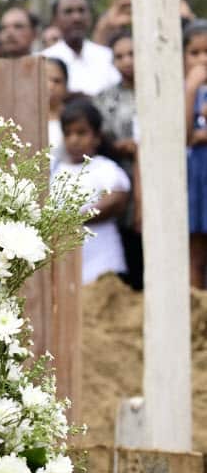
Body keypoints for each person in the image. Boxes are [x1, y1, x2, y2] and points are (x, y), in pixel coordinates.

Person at [51, 99, 130, 285]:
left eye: (81, 133)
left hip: (104, 263)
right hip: (66, 266)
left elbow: (116, 199)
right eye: (68, 133)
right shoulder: (56, 170)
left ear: (97, 136)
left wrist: (71, 218)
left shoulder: (105, 168)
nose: (74, 140)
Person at [95, 29, 141, 289]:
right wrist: (116, 147)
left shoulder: (161, 90)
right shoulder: (104, 98)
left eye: (132, 54)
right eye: (120, 56)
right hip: (122, 175)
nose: (127, 61)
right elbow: (97, 139)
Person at [42, 0, 120, 96]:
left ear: (89, 17)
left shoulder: (108, 56)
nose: (76, 18)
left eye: (81, 10)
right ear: (55, 19)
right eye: (68, 12)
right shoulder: (43, 61)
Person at [183, 19, 207, 288]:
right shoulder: (180, 91)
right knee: (194, 254)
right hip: (193, 184)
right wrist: (191, 90)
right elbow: (185, 136)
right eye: (195, 53)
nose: (202, 60)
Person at [0, 7, 36, 107]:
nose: (9, 33)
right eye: (4, 28)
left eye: (18, 26)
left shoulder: (47, 69)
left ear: (34, 33)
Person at [45, 57, 69, 159]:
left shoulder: (73, 117)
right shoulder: (22, 118)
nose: (50, 86)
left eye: (57, 81)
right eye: (44, 79)